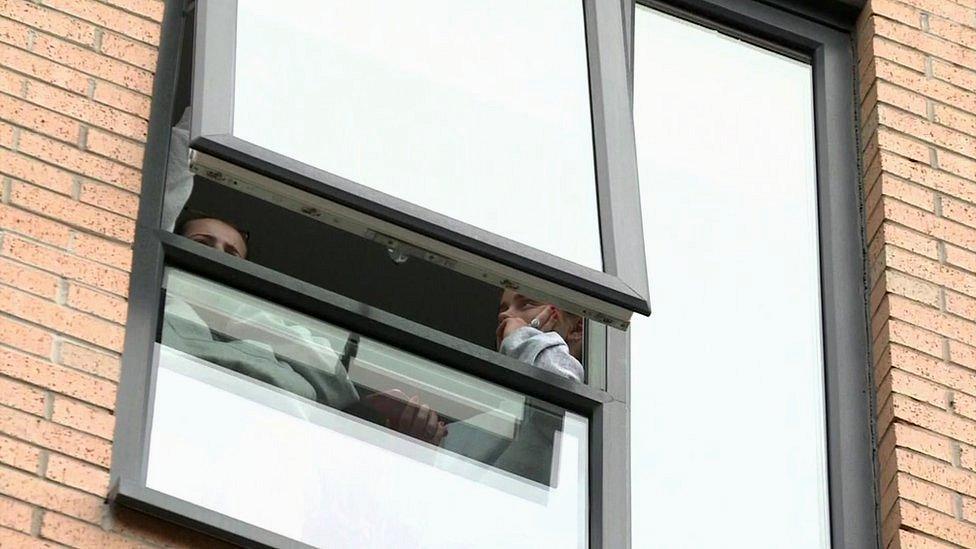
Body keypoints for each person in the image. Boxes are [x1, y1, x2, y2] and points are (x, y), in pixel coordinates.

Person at [167, 215, 447, 444]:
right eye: (202, 244)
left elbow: (326, 398)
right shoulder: (153, 309)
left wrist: (367, 412)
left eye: (232, 254)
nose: (217, 256)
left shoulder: (273, 333)